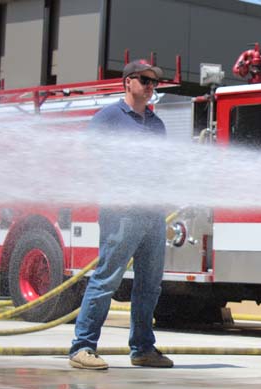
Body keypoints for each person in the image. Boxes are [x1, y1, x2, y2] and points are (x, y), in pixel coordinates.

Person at [68, 60, 173, 370]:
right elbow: (86, 157)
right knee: (106, 280)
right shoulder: (109, 118)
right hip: (122, 214)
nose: (151, 87)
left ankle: (142, 348)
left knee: (150, 284)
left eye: (155, 82)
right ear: (128, 82)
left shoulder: (156, 124)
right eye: (145, 80)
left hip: (153, 214)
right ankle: (82, 347)